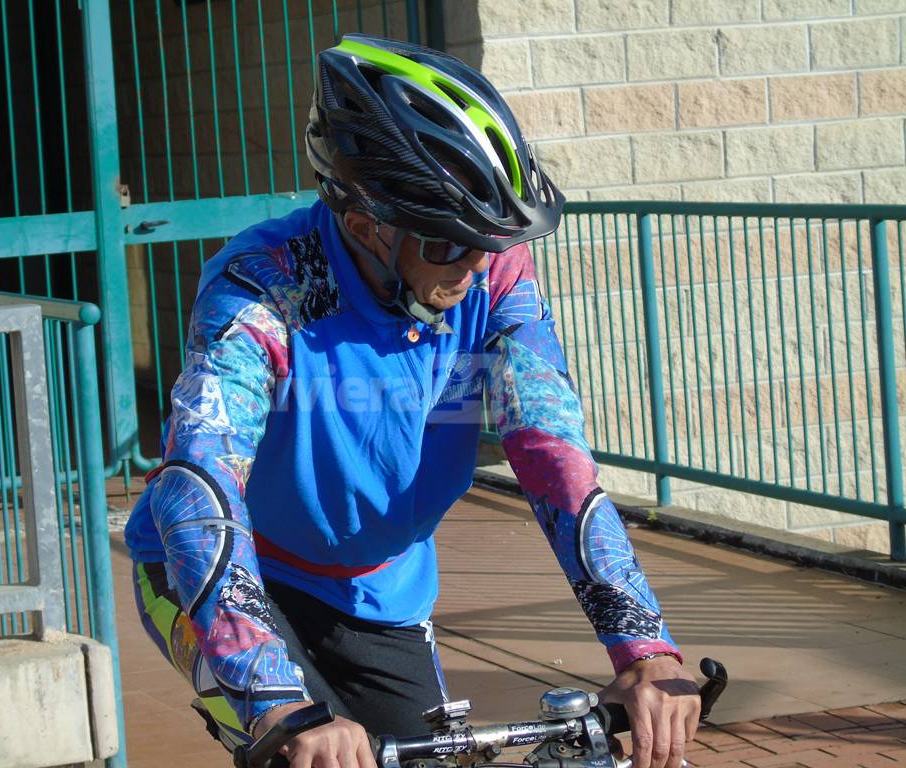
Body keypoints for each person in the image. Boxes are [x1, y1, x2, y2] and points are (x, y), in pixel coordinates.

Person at [124, 33, 700, 768]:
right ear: (366, 224)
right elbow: (197, 486)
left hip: (377, 589)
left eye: (488, 240)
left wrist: (643, 645)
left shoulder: (491, 273)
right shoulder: (265, 284)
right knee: (305, 752)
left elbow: (549, 448)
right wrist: (278, 702)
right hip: (230, 572)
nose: (474, 262)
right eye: (447, 244)